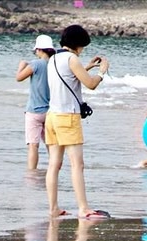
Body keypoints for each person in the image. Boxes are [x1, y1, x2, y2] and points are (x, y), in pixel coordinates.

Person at [45, 24, 110, 218]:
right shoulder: (72, 59)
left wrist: (87, 66)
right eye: (83, 46)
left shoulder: (53, 58)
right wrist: (102, 72)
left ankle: (53, 208)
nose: (82, 50)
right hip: (67, 117)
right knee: (77, 165)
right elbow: (90, 84)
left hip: (52, 117)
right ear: (78, 44)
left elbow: (68, 76)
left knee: (54, 165)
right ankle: (83, 208)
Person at [16, 34, 55, 170]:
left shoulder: (36, 64)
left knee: (33, 145)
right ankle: (53, 171)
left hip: (34, 111)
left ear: (39, 49)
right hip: (50, 112)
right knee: (51, 145)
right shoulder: (54, 64)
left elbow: (19, 78)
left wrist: (21, 66)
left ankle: (32, 174)